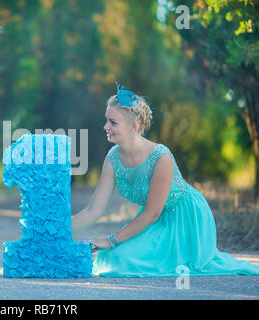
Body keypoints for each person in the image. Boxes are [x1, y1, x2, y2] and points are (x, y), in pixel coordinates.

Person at [72, 83, 259, 277]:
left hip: (186, 219)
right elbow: (93, 210)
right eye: (106, 121)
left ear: (133, 127)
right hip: (156, 219)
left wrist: (110, 239)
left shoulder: (161, 157)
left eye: (112, 122)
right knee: (108, 259)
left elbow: (152, 213)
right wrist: (57, 229)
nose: (105, 127)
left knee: (118, 260)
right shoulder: (112, 158)